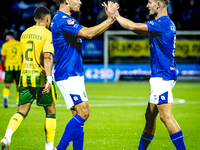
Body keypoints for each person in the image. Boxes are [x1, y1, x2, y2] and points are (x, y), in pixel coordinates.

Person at [103, 0, 186, 150]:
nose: (147, 5)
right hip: (161, 74)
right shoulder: (166, 23)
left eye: (150, 2)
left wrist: (115, 15)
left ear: (159, 4)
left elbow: (133, 26)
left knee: (165, 116)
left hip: (162, 75)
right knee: (149, 118)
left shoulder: (162, 23)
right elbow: (137, 30)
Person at [50, 0, 118, 149]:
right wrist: (109, 20)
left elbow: (88, 32)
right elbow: (88, 34)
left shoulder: (62, 19)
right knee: (84, 113)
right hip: (68, 72)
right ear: (67, 0)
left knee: (78, 117)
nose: (81, 1)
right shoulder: (63, 19)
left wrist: (110, 20)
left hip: (72, 72)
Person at [0, 6, 57, 150]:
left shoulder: (24, 34)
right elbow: (47, 56)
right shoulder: (47, 34)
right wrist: (49, 80)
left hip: (25, 77)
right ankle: (49, 148)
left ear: (34, 19)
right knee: (51, 111)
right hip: (41, 78)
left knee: (21, 111)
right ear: (47, 19)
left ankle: (7, 136)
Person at [1, 31, 22, 108]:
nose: (5, 38)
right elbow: (22, 56)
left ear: (9, 36)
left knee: (7, 85)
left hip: (9, 66)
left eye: (6, 36)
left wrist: (3, 66)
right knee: (18, 86)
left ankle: (5, 98)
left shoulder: (5, 45)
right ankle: (17, 102)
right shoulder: (20, 44)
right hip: (18, 67)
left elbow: (3, 58)